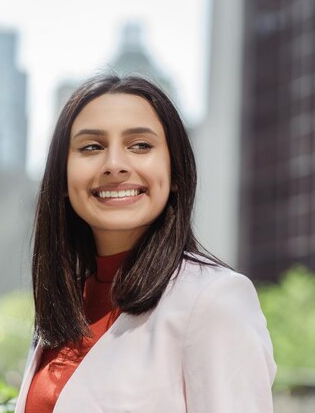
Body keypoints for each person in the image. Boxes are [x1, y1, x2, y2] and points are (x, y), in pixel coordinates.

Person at [14, 74, 276, 413]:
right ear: (62, 179)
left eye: (140, 145)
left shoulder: (213, 300)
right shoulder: (66, 305)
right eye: (91, 147)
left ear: (177, 173)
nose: (114, 165)